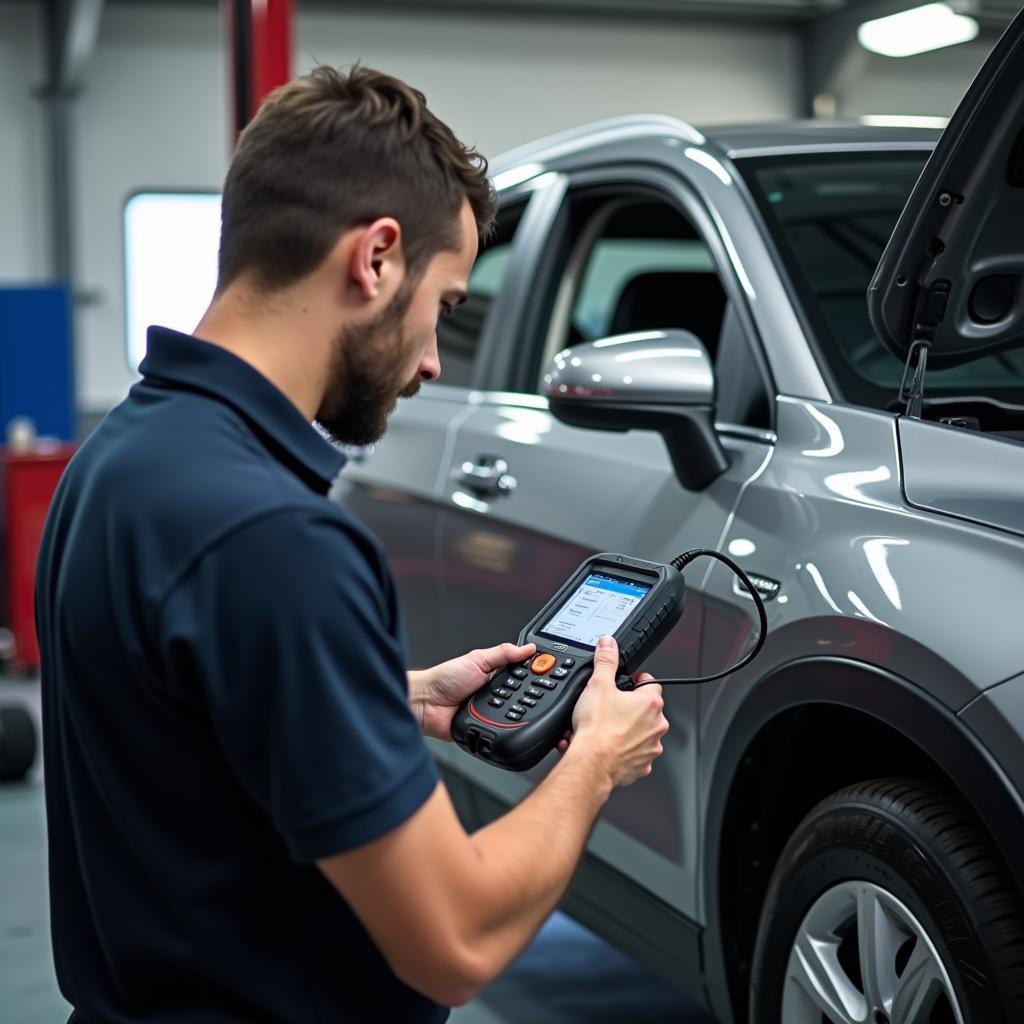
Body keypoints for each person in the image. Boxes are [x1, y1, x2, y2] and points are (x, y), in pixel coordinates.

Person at [36, 65, 669, 1024]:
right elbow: (452, 942)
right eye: (445, 306)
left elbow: (180, 724)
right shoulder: (279, 536)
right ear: (375, 259)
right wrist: (594, 758)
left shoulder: (124, 456)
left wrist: (384, 698)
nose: (429, 362)